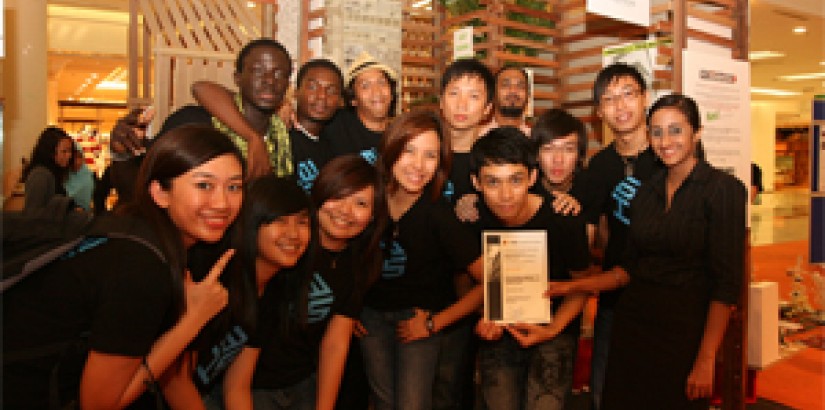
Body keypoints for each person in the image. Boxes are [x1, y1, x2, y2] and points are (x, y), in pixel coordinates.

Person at [3, 124, 243, 409]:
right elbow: (100, 404)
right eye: (204, 185)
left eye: (234, 187)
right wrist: (192, 319)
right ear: (160, 193)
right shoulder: (141, 266)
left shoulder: (142, 232)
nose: (222, 203)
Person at [547, 94, 746, 408]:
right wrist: (571, 286)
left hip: (685, 333)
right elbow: (628, 269)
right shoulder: (646, 192)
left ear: (697, 132)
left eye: (676, 130)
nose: (665, 141)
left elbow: (726, 285)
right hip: (633, 327)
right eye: (656, 132)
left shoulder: (723, 189)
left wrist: (707, 358)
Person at [223, 155, 386, 410]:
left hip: (301, 382)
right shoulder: (286, 248)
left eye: (361, 203)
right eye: (338, 196)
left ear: (373, 215)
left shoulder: (358, 262)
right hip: (251, 385)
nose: (345, 210)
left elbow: (335, 342)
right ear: (319, 194)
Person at [360, 109, 484, 410]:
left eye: (430, 155)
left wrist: (433, 323)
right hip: (371, 320)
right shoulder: (368, 201)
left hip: (418, 322)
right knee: (383, 403)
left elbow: (489, 280)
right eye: (409, 151)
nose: (418, 165)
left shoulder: (439, 213)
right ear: (390, 151)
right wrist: (347, 310)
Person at [469, 127, 589, 410]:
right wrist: (482, 316)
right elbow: (467, 283)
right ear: (476, 183)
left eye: (516, 180)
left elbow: (583, 285)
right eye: (493, 182)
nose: (506, 194)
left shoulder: (564, 219)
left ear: (533, 177)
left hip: (553, 332)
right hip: (499, 333)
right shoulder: (473, 220)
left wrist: (552, 329)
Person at [581, 63, 664, 409]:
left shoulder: (668, 154)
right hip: (614, 297)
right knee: (605, 387)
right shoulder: (599, 166)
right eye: (610, 99)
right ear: (600, 111)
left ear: (645, 98)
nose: (620, 105)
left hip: (664, 296)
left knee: (659, 388)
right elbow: (590, 234)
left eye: (628, 94)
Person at [111, 38, 294, 180]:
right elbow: (140, 186)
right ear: (237, 78)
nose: (270, 80)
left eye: (280, 74)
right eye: (258, 71)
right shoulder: (193, 122)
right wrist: (122, 153)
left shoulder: (284, 137)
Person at [433, 57, 494, 410]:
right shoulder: (427, 153)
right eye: (454, 93)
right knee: (441, 385)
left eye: (473, 96)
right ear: (441, 100)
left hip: (482, 291)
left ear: (486, 108)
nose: (461, 104)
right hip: (431, 289)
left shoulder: (492, 159)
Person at [194, 59, 346, 192]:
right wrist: (254, 137)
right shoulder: (275, 129)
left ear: (340, 100)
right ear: (295, 91)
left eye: (331, 91)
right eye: (312, 87)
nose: (321, 96)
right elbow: (203, 88)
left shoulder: (333, 144)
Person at [321, 52, 398, 164]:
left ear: (391, 94)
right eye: (365, 86)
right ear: (353, 99)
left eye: (381, 82)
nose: (376, 91)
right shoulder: (336, 124)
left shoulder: (400, 133)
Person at [21, 126, 75, 212]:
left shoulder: (52, 174)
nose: (69, 155)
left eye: (70, 151)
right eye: (64, 151)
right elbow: (33, 215)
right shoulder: (40, 176)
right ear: (50, 151)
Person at [478, 66, 532, 136]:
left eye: (520, 86)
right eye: (505, 85)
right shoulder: (477, 138)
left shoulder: (537, 141)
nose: (513, 91)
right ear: (493, 93)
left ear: (528, 96)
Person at [64, 144, 96, 212]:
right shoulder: (63, 176)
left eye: (80, 157)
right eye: (74, 157)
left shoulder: (90, 176)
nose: (77, 161)